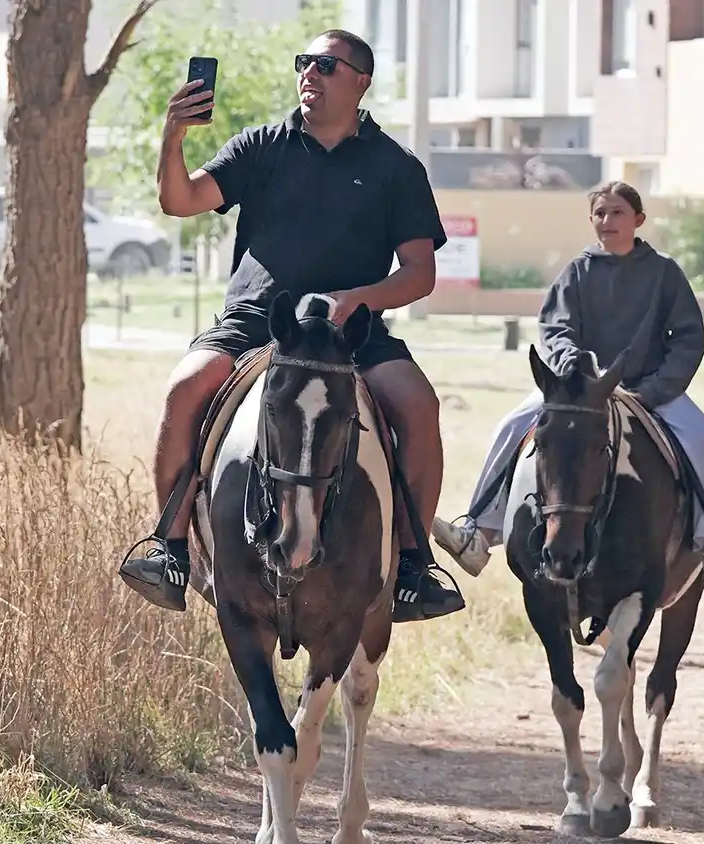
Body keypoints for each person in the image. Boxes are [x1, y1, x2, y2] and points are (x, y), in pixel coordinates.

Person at [120, 29, 465, 623]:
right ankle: (169, 548)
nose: (311, 73)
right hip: (258, 322)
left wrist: (358, 299)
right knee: (185, 386)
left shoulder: (396, 167)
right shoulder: (261, 146)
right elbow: (180, 200)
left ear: (361, 81)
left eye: (328, 65)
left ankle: (413, 565)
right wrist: (171, 136)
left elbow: (418, 274)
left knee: (420, 406)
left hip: (351, 333)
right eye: (305, 63)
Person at [430, 181, 704, 583]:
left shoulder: (664, 273)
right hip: (580, 392)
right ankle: (479, 532)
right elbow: (556, 329)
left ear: (639, 219)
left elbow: (689, 338)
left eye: (618, 212)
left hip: (650, 392)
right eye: (600, 213)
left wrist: (656, 389)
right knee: (510, 427)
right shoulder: (576, 272)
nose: (607, 220)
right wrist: (576, 370)